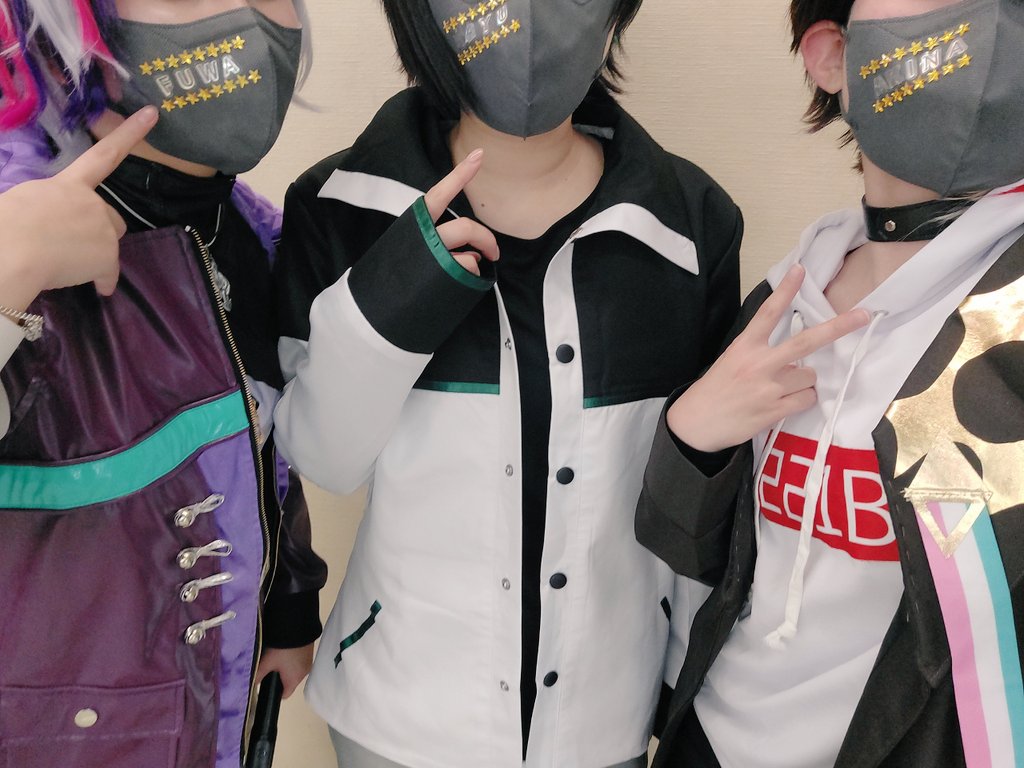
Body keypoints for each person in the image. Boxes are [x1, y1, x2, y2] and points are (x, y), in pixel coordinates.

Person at [272, 1, 743, 766]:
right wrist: (389, 300)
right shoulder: (340, 206)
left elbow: (692, 494)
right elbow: (325, 460)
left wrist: (693, 689)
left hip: (604, 720)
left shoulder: (691, 223)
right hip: (396, 716)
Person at [636, 0, 1024, 765]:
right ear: (833, 58)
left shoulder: (1008, 311)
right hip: (708, 736)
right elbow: (692, 555)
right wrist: (691, 441)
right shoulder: (787, 290)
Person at [0, 0, 327, 765]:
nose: (240, 17)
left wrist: (287, 602)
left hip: (209, 719)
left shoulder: (251, 235)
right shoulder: (18, 219)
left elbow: (261, 443)